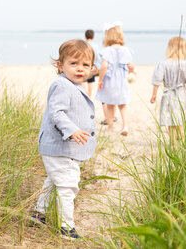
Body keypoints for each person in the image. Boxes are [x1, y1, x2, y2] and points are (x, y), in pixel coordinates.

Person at [31, 39, 96, 240]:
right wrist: (72, 130)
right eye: (73, 64)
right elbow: (56, 113)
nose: (80, 69)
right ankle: (66, 226)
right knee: (68, 184)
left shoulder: (72, 84)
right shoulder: (61, 85)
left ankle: (39, 214)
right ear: (60, 65)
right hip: (60, 145)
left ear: (92, 68)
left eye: (85, 65)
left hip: (60, 148)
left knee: (54, 180)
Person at [150, 36, 186, 142]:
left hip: (168, 94)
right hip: (181, 95)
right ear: (184, 49)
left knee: (170, 120)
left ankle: (172, 141)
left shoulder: (163, 64)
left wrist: (154, 95)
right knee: (179, 119)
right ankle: (180, 138)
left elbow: (157, 80)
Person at [95, 22, 136, 136]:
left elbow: (104, 66)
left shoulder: (106, 51)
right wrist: (132, 71)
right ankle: (125, 126)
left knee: (109, 105)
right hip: (122, 81)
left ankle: (111, 126)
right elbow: (131, 66)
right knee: (122, 105)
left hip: (110, 81)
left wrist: (100, 79)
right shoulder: (126, 50)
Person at [84, 29, 101, 98]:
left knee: (83, 81)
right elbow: (97, 57)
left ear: (85, 36)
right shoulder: (96, 46)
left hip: (84, 66)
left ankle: (84, 94)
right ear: (93, 37)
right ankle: (89, 96)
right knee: (90, 82)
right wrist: (98, 66)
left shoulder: (83, 45)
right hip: (92, 67)